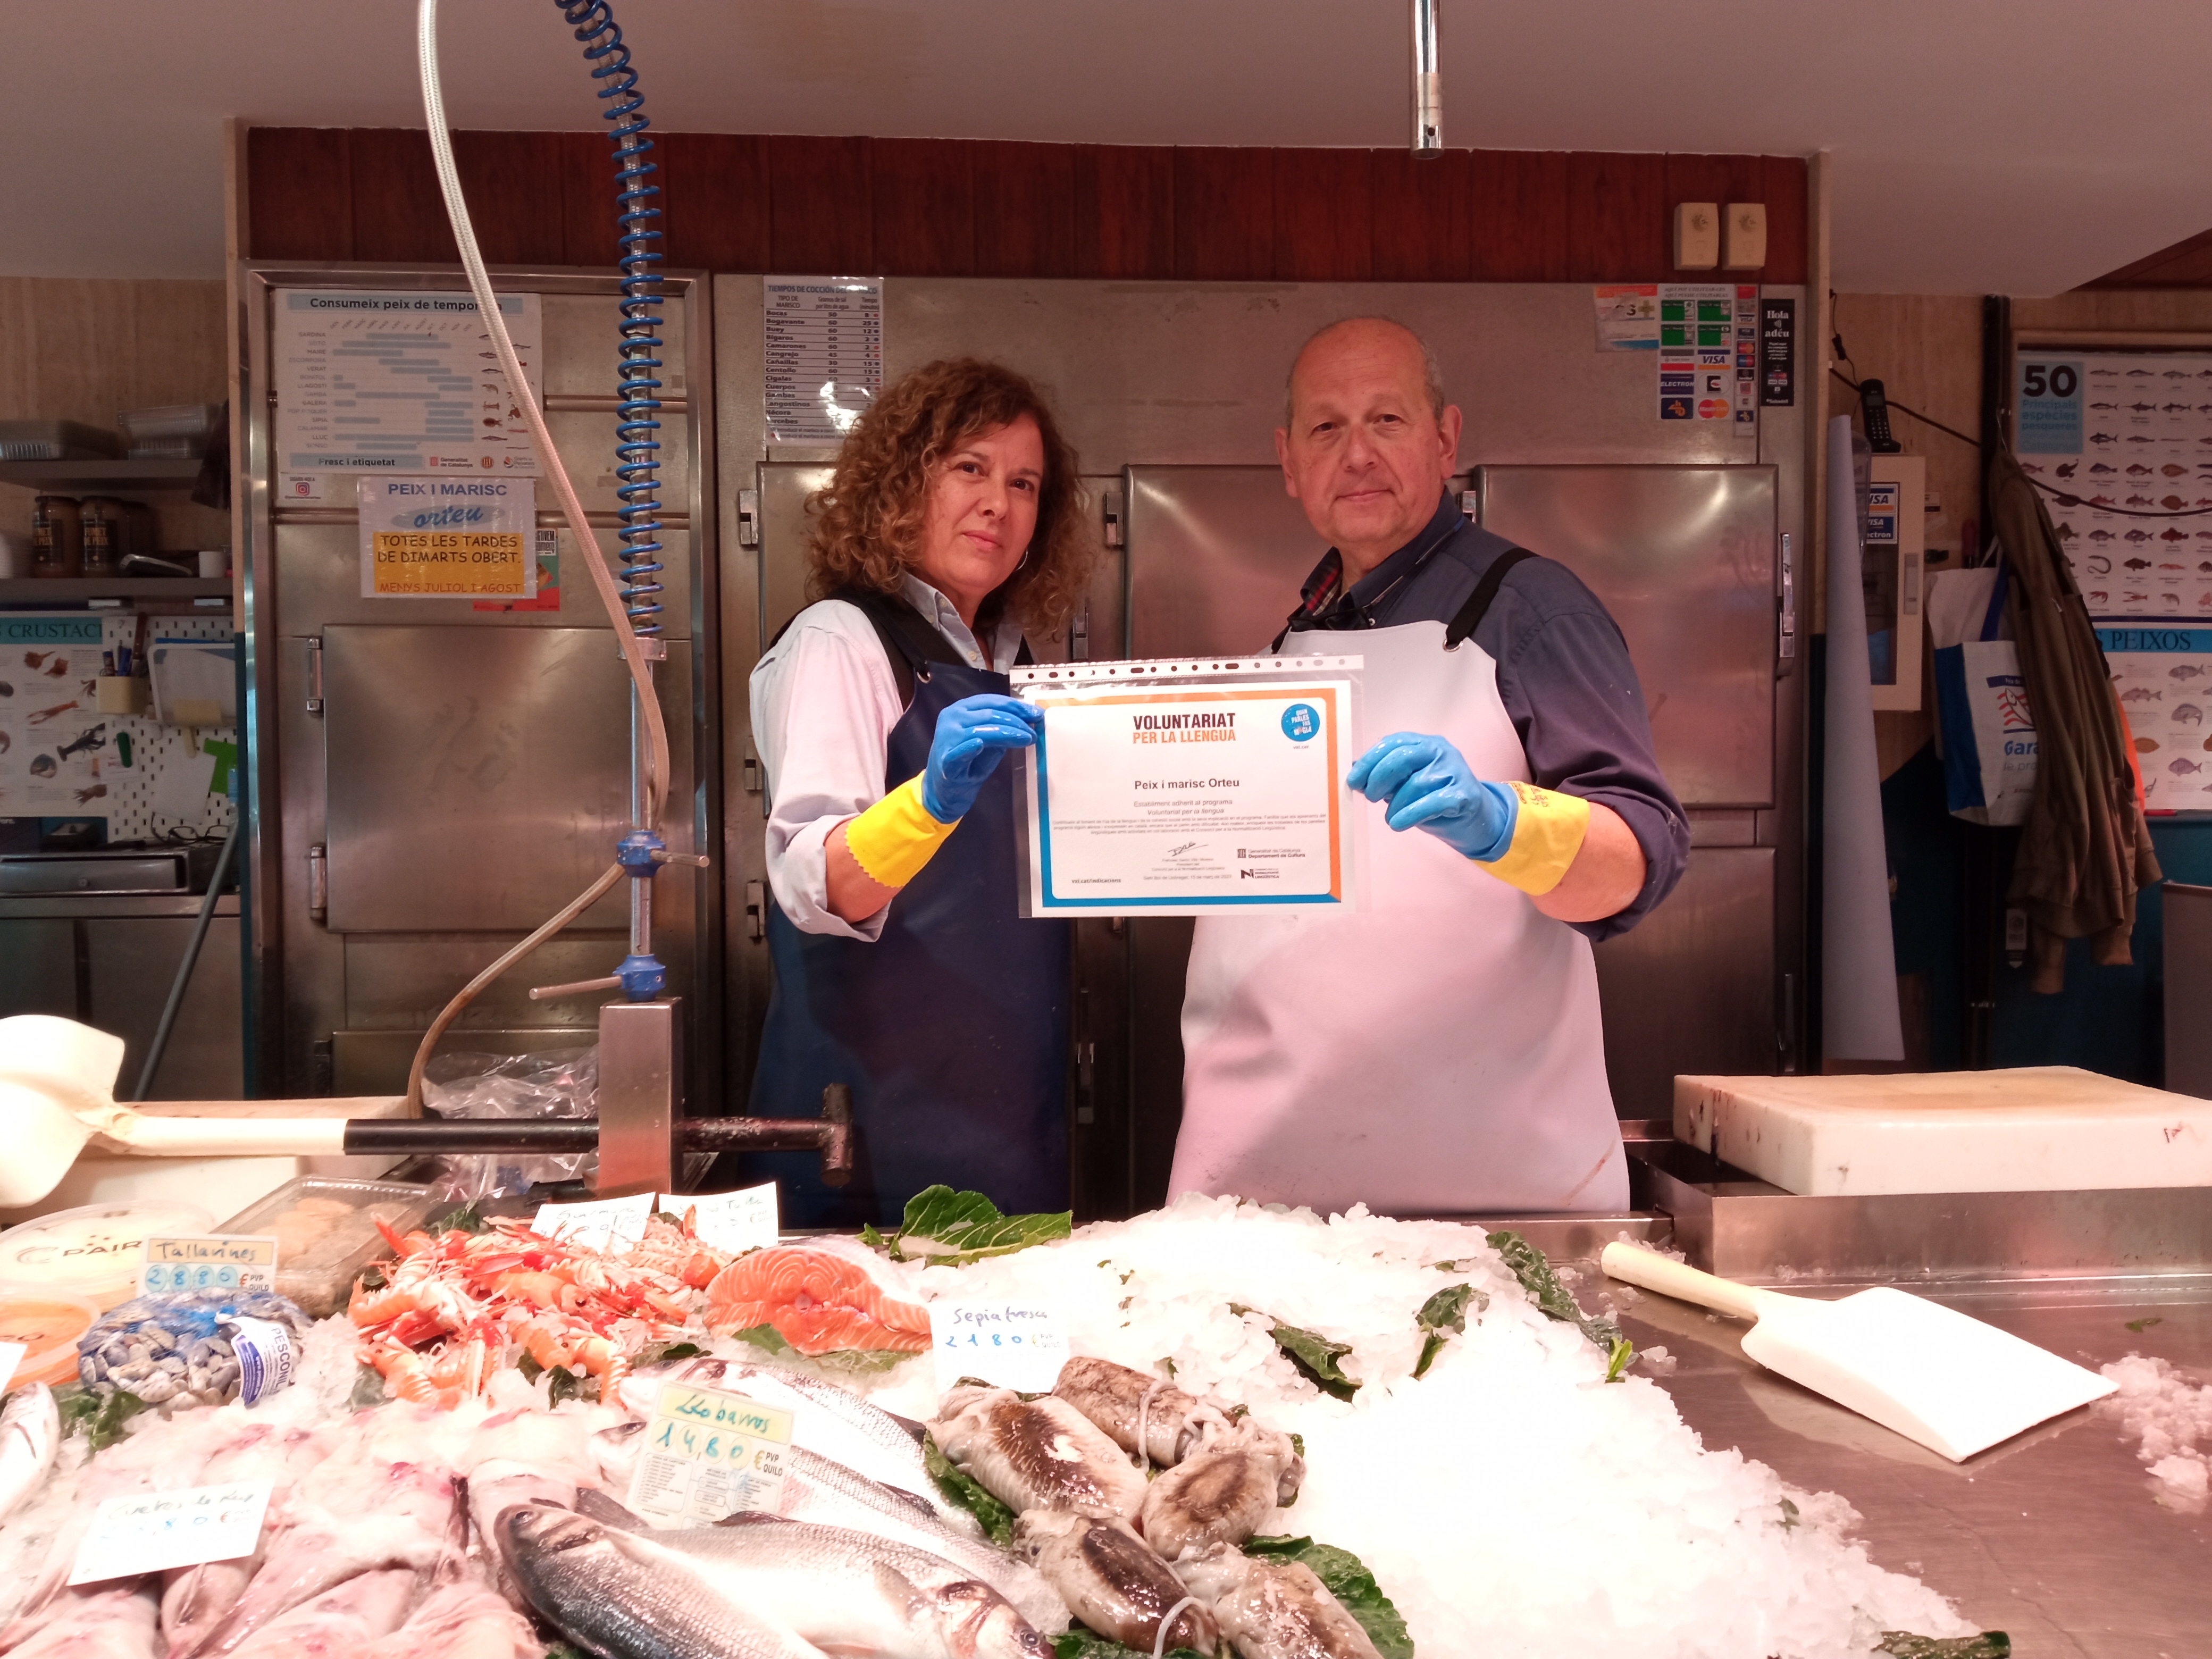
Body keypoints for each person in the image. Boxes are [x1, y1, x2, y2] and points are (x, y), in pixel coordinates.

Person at [1169, 317, 1688, 1216]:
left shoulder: (1533, 610)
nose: (1357, 454)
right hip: (1262, 1195)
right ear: (1289, 462)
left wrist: (1504, 824)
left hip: (1490, 1193)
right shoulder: (1295, 638)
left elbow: (1639, 859)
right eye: (1327, 428)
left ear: (1446, 440)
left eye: (1388, 420)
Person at [748, 358, 1094, 1227]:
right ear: (903, 485)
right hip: (870, 1121)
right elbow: (817, 885)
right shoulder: (841, 642)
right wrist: (928, 806)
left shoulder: (1013, 663)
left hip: (1010, 1107)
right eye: (970, 468)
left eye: (1024, 483)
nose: (998, 504)